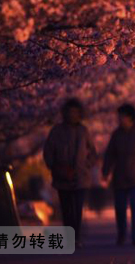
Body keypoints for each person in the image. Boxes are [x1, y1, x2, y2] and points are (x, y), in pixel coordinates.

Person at [43, 98, 97, 247]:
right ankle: (69, 237)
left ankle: (76, 237)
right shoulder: (56, 131)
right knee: (66, 209)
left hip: (81, 176)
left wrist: (87, 164)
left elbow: (92, 152)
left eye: (75, 112)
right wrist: (53, 166)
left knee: (78, 208)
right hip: (62, 176)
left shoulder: (83, 131)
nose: (72, 115)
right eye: (69, 112)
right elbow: (48, 151)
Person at [102, 103, 135, 246]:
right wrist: (105, 172)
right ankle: (122, 234)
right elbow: (109, 154)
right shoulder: (116, 134)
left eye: (122, 116)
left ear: (130, 117)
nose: (119, 119)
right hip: (120, 177)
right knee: (119, 208)